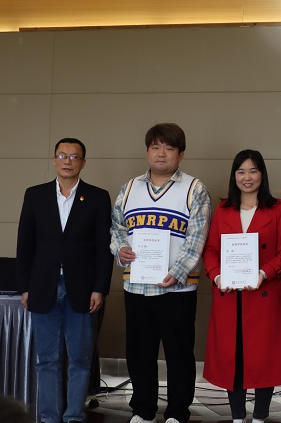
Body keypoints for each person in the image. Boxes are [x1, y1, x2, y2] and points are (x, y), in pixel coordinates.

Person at [110, 123, 212, 423]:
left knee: (179, 354)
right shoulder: (129, 188)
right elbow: (117, 227)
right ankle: (143, 411)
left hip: (177, 288)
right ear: (147, 152)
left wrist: (177, 272)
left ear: (181, 154)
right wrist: (120, 249)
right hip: (137, 287)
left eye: (169, 148)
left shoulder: (194, 188)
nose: (161, 154)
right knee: (139, 353)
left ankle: (178, 412)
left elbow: (197, 236)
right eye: (155, 147)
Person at [16, 138, 112, 423]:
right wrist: (24, 287)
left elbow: (103, 248)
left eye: (74, 156)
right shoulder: (35, 195)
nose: (68, 161)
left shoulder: (98, 197)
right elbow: (25, 244)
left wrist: (100, 288)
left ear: (83, 162)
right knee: (47, 360)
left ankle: (73, 416)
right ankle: (49, 417)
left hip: (82, 289)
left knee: (80, 360)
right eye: (62, 155)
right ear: (54, 160)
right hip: (43, 287)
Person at [203, 149, 281, 423]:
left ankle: (260, 416)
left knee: (264, 357)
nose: (247, 177)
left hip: (262, 294)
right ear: (234, 176)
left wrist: (264, 272)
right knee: (233, 357)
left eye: (253, 171)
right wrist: (217, 276)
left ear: (262, 174)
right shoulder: (223, 209)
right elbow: (210, 250)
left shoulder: (276, 209)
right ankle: (237, 416)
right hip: (229, 295)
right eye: (241, 171)